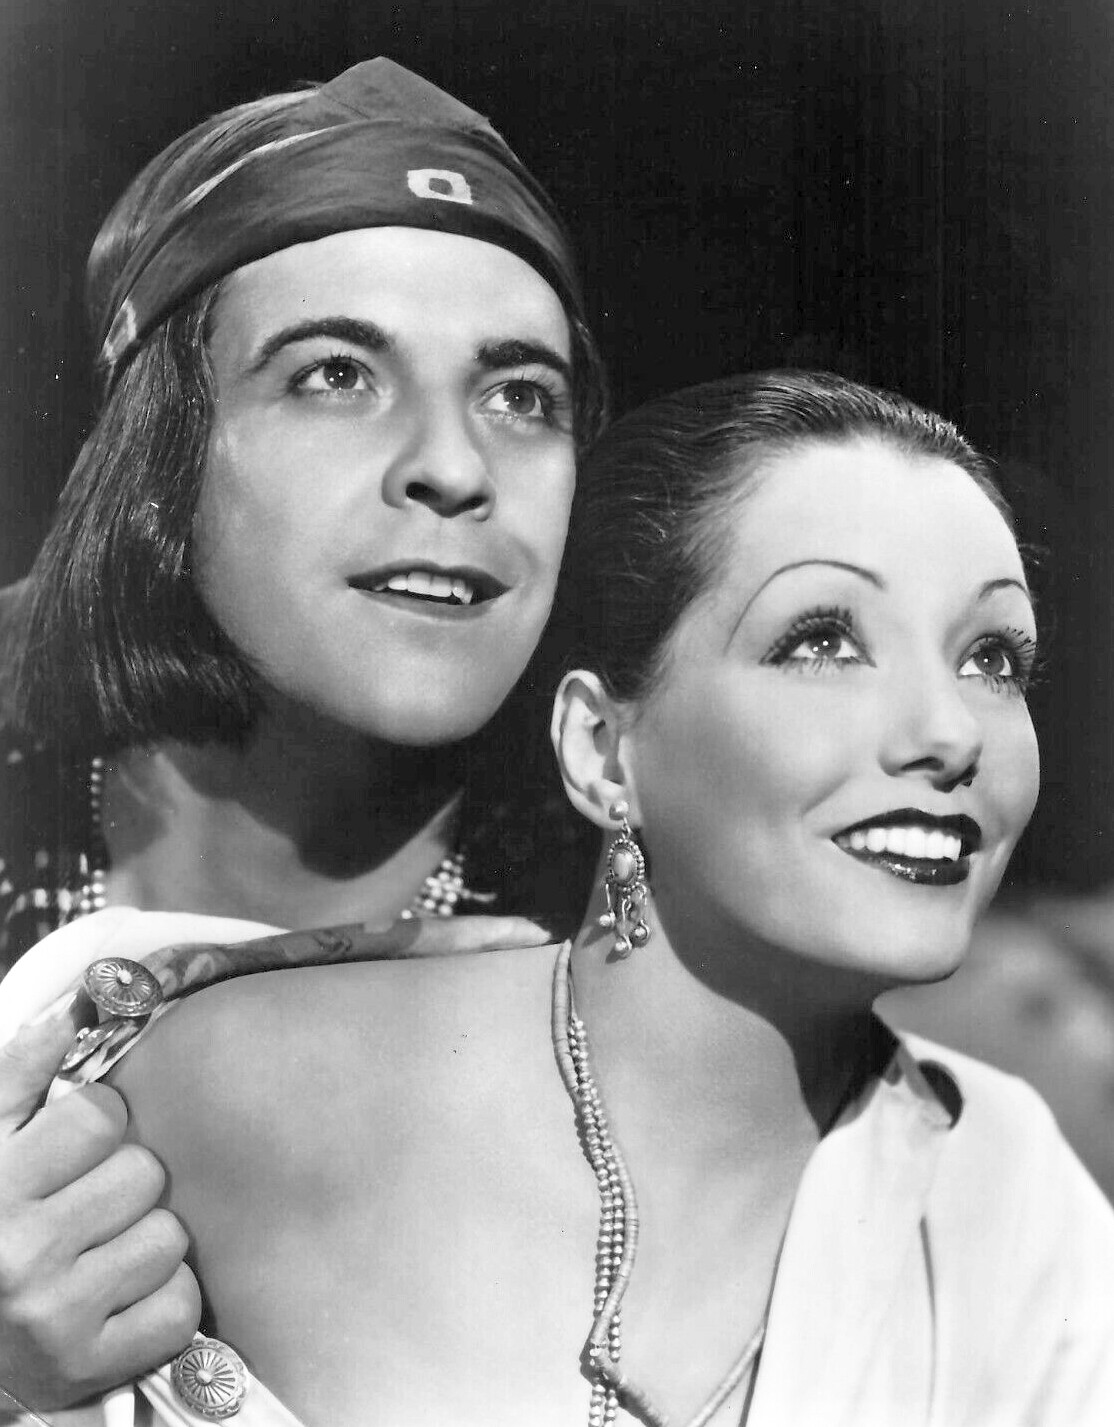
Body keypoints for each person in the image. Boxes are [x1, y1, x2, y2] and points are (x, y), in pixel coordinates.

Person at [42, 371, 1114, 1425]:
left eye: (992, 658)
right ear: (602, 749)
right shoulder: (226, 1083)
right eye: (824, 641)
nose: (950, 732)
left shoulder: (1013, 1202)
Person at [0, 56, 605, 1416]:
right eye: (335, 373)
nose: (453, 465)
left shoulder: (651, 927)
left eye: (522, 395)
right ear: (161, 451)